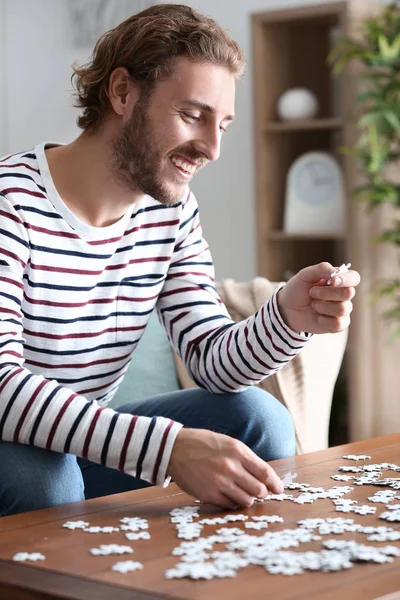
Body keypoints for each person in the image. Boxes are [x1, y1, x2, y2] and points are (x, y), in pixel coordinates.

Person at [0, 4, 360, 517]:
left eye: (224, 125)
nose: (212, 148)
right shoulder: (10, 203)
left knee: (259, 416)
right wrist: (169, 449)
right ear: (122, 92)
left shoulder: (170, 211)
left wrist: (285, 317)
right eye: (193, 115)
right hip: (14, 445)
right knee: (47, 478)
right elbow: (3, 389)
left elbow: (210, 359)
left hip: (78, 446)